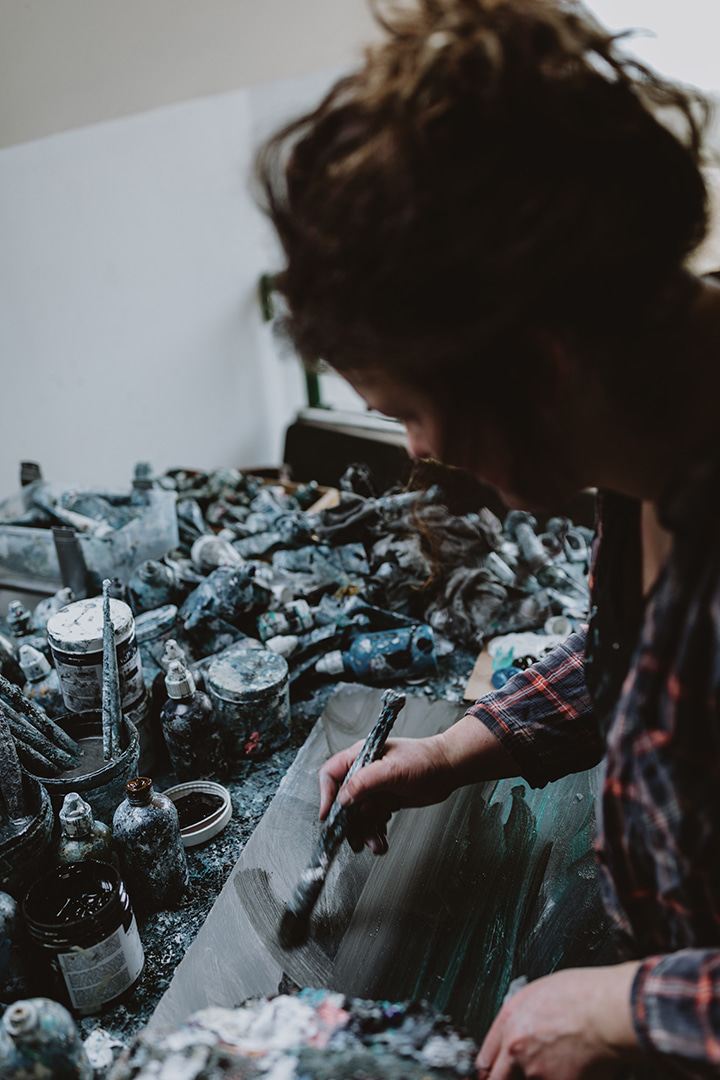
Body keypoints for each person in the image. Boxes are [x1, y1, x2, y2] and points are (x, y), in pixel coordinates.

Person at [257, 1, 720, 1076]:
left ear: (541, 366)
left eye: (411, 409)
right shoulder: (653, 422)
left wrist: (626, 1008)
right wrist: (455, 751)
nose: (416, 452)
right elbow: (641, 671)